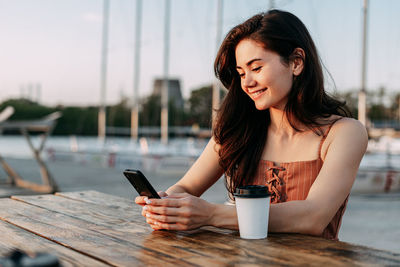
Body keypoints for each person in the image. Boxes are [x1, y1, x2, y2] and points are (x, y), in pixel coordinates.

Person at [135, 9, 368, 240]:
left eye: (256, 68)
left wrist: (211, 214)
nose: (247, 82)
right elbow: (186, 187)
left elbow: (313, 217)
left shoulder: (344, 133)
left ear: (296, 62)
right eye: (240, 72)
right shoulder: (237, 130)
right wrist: (164, 205)